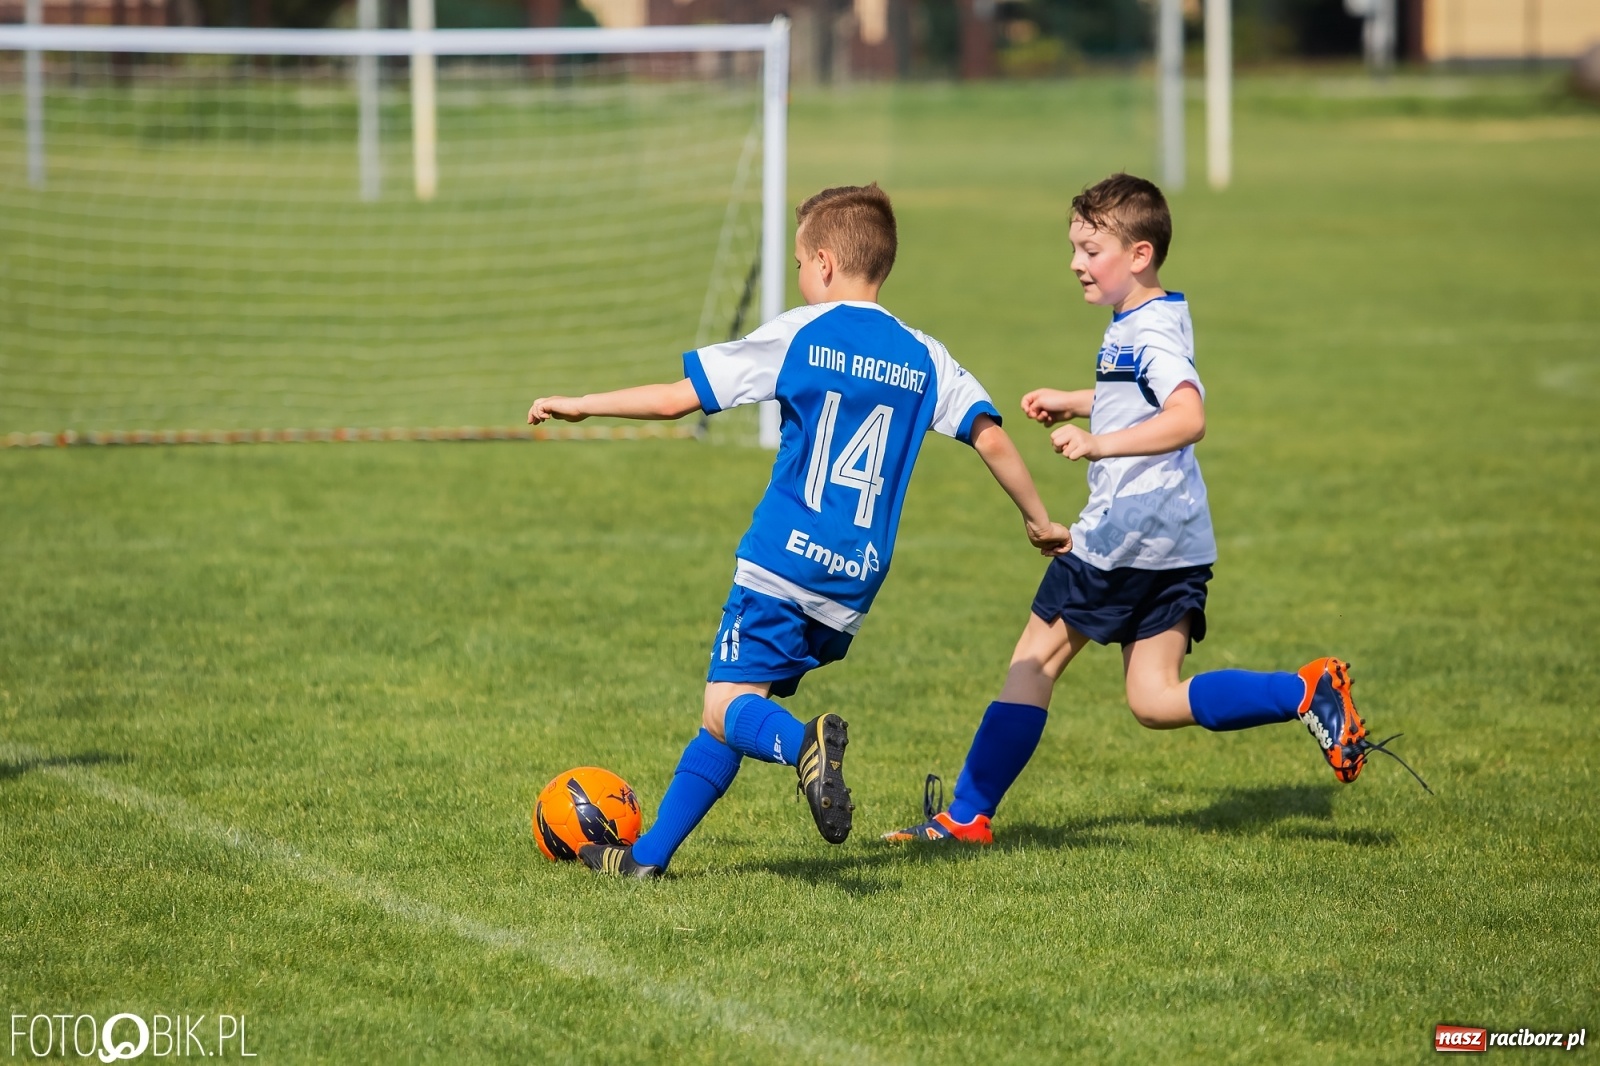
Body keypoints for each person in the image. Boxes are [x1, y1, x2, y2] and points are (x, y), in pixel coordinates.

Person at [528, 183, 1073, 877]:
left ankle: (802, 747)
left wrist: (582, 405)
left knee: (729, 706)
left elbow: (677, 401)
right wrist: (1038, 519)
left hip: (783, 556)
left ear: (821, 264)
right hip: (855, 577)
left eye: (796, 263)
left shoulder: (800, 333)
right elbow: (990, 437)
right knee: (731, 705)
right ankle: (646, 860)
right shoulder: (924, 354)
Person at [884, 173, 1424, 847]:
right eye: (1075, 248)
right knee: (1153, 698)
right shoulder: (1153, 315)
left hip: (1122, 534)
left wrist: (1098, 441)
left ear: (1139, 255)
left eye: (1091, 249)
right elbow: (1139, 390)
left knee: (1034, 663)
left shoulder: (1149, 336)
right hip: (1179, 541)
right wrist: (1080, 399)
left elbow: (1188, 415)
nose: (1076, 262)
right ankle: (1304, 692)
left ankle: (965, 816)